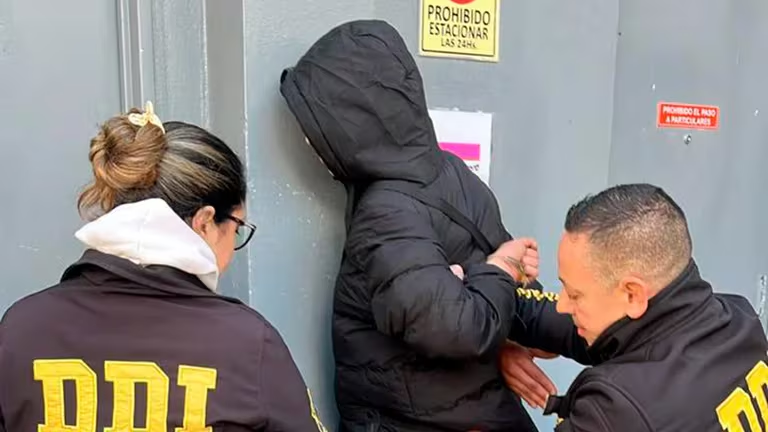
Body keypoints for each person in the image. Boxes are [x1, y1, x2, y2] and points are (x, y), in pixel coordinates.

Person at [280, 20, 590, 431]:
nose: (311, 141)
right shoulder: (452, 172)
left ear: (350, 121)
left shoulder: (384, 210)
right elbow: (505, 296)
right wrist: (505, 307)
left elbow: (454, 326)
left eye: (317, 124)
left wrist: (498, 271)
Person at [0, 102, 326, 432]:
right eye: (237, 229)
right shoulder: (249, 344)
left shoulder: (21, 329)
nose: (233, 249)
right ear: (205, 222)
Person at [532, 183, 768, 431]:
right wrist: (499, 324)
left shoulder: (618, 411)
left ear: (633, 295)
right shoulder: (739, 318)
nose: (561, 305)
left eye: (575, 294)